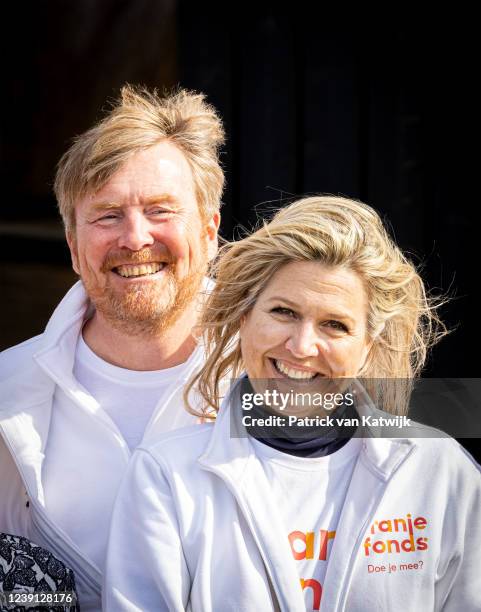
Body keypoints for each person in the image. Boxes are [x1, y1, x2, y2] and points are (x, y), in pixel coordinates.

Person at [104, 196, 481, 611]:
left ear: (368, 345)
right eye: (283, 312)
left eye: (335, 325)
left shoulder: (439, 471)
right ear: (244, 316)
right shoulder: (166, 477)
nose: (301, 347)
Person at [0, 85, 224, 611]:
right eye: (106, 216)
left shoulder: (283, 381)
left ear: (210, 232)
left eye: (160, 209)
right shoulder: (7, 392)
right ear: (75, 248)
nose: (135, 238)